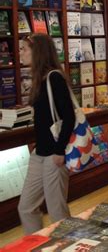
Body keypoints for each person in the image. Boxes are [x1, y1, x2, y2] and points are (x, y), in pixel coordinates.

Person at [17, 34, 75, 234]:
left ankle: (68, 246)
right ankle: (37, 245)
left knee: (56, 212)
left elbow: (69, 117)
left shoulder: (54, 78)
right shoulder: (38, 80)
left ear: (38, 52)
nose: (21, 53)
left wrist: (59, 151)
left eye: (24, 48)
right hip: (39, 154)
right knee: (26, 207)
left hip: (54, 156)